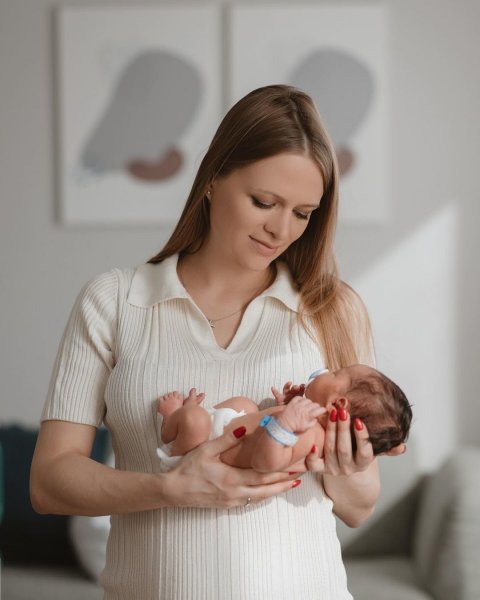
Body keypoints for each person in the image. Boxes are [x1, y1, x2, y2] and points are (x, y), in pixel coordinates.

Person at [30, 84, 406, 600]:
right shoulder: (115, 301)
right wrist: (170, 488)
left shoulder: (332, 309)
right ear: (211, 180)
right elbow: (49, 483)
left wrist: (352, 464)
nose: (280, 230)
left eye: (302, 213)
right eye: (264, 202)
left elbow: (358, 508)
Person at [156, 365, 412, 473]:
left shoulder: (311, 436)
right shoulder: (309, 425)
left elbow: (266, 463)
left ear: (337, 404)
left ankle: (171, 422)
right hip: (227, 431)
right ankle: (191, 420)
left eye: (335, 373)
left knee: (194, 419)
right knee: (246, 404)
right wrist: (284, 408)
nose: (326, 370)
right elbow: (265, 427)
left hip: (202, 454)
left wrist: (285, 423)